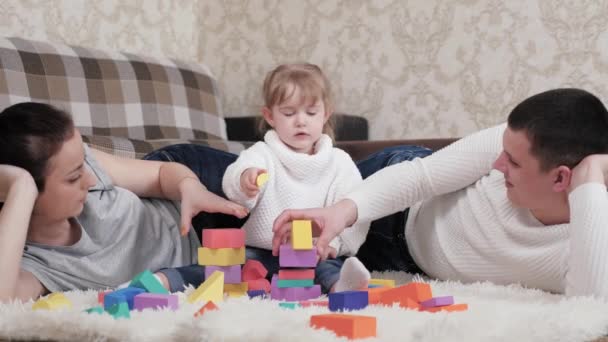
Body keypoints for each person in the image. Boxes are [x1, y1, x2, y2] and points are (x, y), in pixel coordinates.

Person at [272, 88, 608, 297]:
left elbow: (591, 304)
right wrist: (342, 210)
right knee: (267, 199)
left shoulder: (592, 232)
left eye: (514, 163)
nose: (497, 163)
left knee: (280, 258)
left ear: (562, 179)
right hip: (399, 199)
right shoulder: (519, 140)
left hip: (398, 262)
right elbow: (422, 176)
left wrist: (591, 173)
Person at [0, 102, 249, 302]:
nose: (89, 178)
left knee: (280, 192)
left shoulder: (81, 168)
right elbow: (3, 303)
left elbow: (162, 174)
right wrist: (20, 186)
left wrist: (191, 187)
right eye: (74, 177)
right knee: (276, 260)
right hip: (195, 264)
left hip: (188, 189)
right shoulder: (36, 265)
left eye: (84, 164)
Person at [220, 63, 372, 293]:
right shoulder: (262, 154)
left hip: (313, 253)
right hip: (264, 252)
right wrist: (245, 180)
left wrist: (333, 244)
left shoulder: (339, 163)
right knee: (227, 263)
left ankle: (340, 286)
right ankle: (168, 278)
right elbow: (236, 178)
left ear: (326, 113)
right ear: (270, 116)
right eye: (289, 113)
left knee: (328, 266)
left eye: (311, 112)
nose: (301, 121)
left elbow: (355, 210)